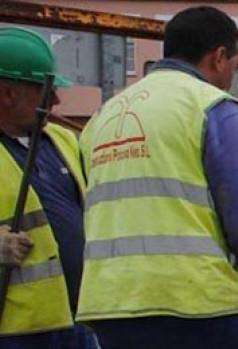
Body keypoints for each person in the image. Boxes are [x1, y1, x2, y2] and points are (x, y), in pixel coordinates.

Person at [76, 7, 238, 348]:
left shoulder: (101, 117)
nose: (233, 77)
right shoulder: (211, 106)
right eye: (235, 66)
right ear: (219, 57)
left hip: (108, 305)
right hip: (193, 302)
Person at [0, 26, 98, 348]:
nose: (55, 99)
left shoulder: (65, 141)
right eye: (45, 89)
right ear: (7, 94)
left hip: (78, 318)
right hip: (16, 330)